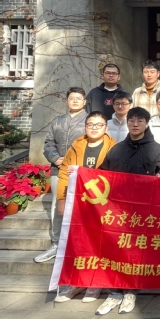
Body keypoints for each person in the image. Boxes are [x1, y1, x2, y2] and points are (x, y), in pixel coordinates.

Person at [96, 107, 160, 315]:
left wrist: (159, 179)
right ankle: (114, 292)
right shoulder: (117, 149)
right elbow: (101, 173)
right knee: (115, 249)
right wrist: (79, 174)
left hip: (142, 210)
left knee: (135, 251)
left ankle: (131, 291)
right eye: (132, 120)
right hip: (117, 209)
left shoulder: (154, 148)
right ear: (127, 122)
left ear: (146, 124)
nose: (135, 124)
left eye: (140, 120)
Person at [53, 111, 117, 304]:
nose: (94, 128)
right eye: (91, 124)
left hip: (102, 205)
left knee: (99, 242)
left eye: (99, 125)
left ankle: (95, 282)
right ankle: (76, 282)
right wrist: (62, 199)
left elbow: (116, 176)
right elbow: (63, 173)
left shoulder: (114, 148)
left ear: (106, 127)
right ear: (85, 126)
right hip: (78, 203)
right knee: (78, 242)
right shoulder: (77, 146)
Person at [36, 87, 87, 264]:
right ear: (67, 101)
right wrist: (56, 159)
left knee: (82, 207)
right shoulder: (58, 121)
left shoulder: (89, 121)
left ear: (84, 102)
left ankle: (78, 244)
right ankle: (56, 243)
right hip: (58, 169)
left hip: (80, 171)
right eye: (72, 98)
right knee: (58, 206)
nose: (75, 101)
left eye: (78, 98)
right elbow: (49, 143)